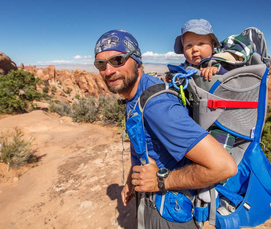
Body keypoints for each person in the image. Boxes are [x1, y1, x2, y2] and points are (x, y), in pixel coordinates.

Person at [94, 29, 237, 228]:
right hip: (152, 199)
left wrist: (161, 182)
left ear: (136, 59)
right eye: (101, 64)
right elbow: (142, 143)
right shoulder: (134, 95)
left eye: (117, 60)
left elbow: (224, 166)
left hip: (170, 211)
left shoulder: (157, 106)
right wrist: (131, 180)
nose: (108, 71)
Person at [173, 19, 253, 81]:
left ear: (213, 45)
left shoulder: (221, 55)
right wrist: (172, 76)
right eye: (189, 45)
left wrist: (218, 68)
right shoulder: (188, 65)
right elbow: (178, 71)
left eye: (201, 43)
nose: (194, 49)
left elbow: (237, 68)